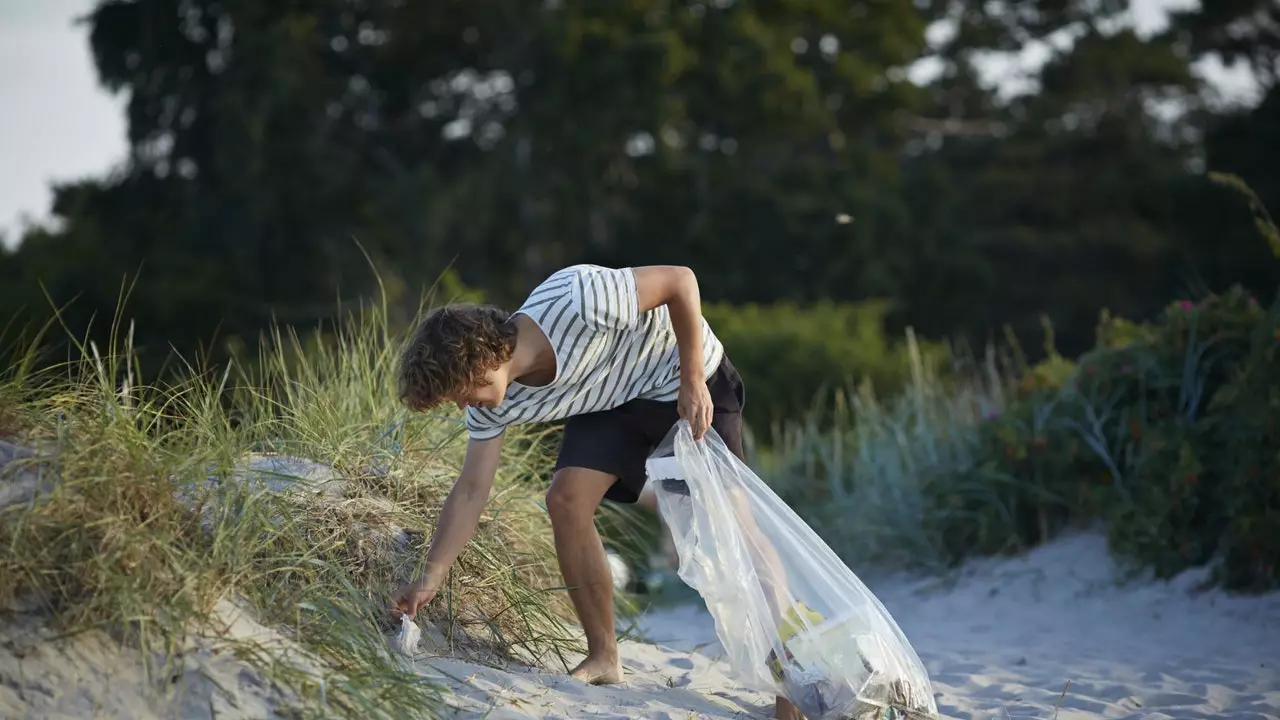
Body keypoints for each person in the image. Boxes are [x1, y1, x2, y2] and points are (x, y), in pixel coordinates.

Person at [390, 263, 805, 720]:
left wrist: (692, 380)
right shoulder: (493, 403)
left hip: (683, 371)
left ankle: (791, 683)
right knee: (566, 500)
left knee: (734, 527)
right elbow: (470, 491)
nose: (463, 404)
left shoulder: (577, 299)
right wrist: (430, 577)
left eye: (461, 390)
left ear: (482, 354)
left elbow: (680, 281)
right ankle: (604, 655)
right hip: (612, 400)